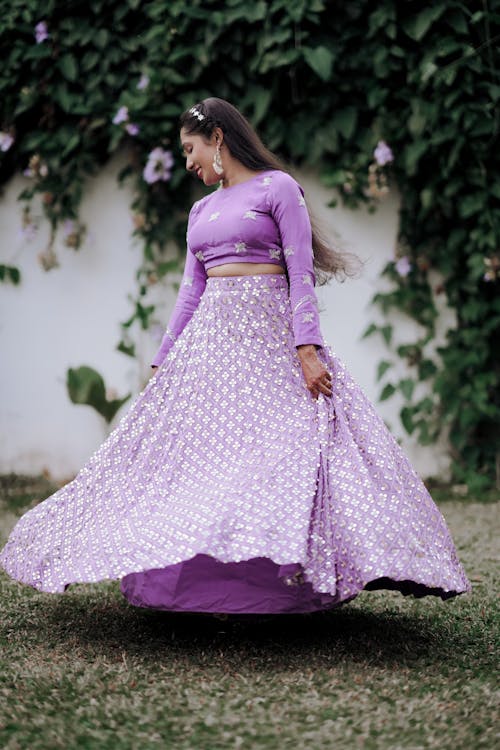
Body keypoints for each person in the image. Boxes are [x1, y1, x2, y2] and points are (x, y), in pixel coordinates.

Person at [0, 97, 471, 615]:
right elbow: (189, 291)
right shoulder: (201, 210)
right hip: (211, 353)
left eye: (190, 148)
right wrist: (163, 362)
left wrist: (307, 349)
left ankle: (285, 581)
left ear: (218, 137)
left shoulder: (278, 188)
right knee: (201, 462)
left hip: (272, 349)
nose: (187, 162)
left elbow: (301, 273)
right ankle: (204, 586)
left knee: (287, 452)